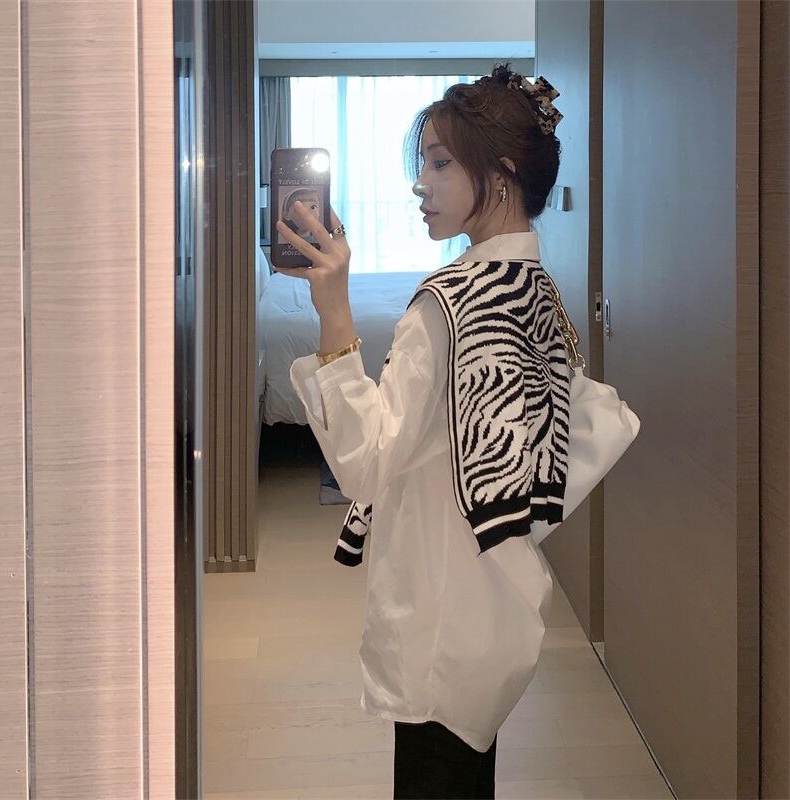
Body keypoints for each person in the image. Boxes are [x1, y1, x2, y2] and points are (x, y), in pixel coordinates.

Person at [276, 62, 565, 799]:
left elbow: (367, 464)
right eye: (423, 163)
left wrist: (334, 310)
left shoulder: (451, 302)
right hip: (495, 592)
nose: (419, 183)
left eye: (439, 163)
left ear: (500, 175)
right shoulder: (535, 290)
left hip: (438, 603)